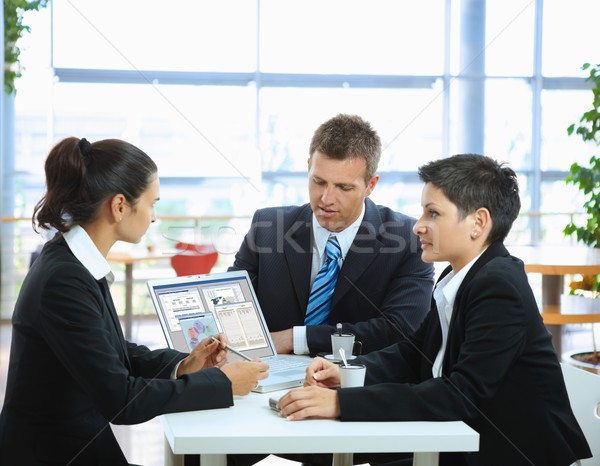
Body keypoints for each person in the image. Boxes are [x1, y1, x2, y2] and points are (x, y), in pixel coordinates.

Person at [276, 154, 592, 466]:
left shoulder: (498, 286)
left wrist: (341, 403)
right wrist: (349, 371)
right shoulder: (459, 276)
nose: (419, 226)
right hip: (459, 443)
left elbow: (460, 396)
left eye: (433, 214)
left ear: (478, 223)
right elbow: (413, 354)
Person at [0, 137, 269, 466]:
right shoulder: (64, 280)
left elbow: (113, 351)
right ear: (119, 206)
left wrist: (185, 364)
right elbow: (122, 401)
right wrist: (222, 382)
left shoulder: (73, 262)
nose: (154, 217)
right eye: (152, 203)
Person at [230, 114, 434, 356]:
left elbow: (400, 329)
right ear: (308, 168)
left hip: (355, 382)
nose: (326, 199)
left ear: (370, 185)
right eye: (318, 181)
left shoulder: (407, 240)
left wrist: (295, 339)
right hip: (267, 375)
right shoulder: (267, 226)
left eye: (344, 187)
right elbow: (230, 306)